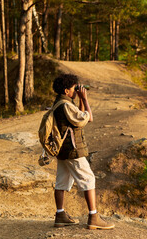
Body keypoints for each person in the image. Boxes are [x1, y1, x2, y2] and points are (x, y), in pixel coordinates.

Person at [51, 73, 115, 230]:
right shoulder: (66, 105)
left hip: (63, 150)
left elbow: (77, 119)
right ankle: (93, 217)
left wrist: (78, 100)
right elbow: (88, 118)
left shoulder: (60, 103)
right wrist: (85, 99)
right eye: (74, 88)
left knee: (62, 181)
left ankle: (60, 215)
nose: (76, 90)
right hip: (73, 149)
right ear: (67, 90)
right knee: (89, 179)